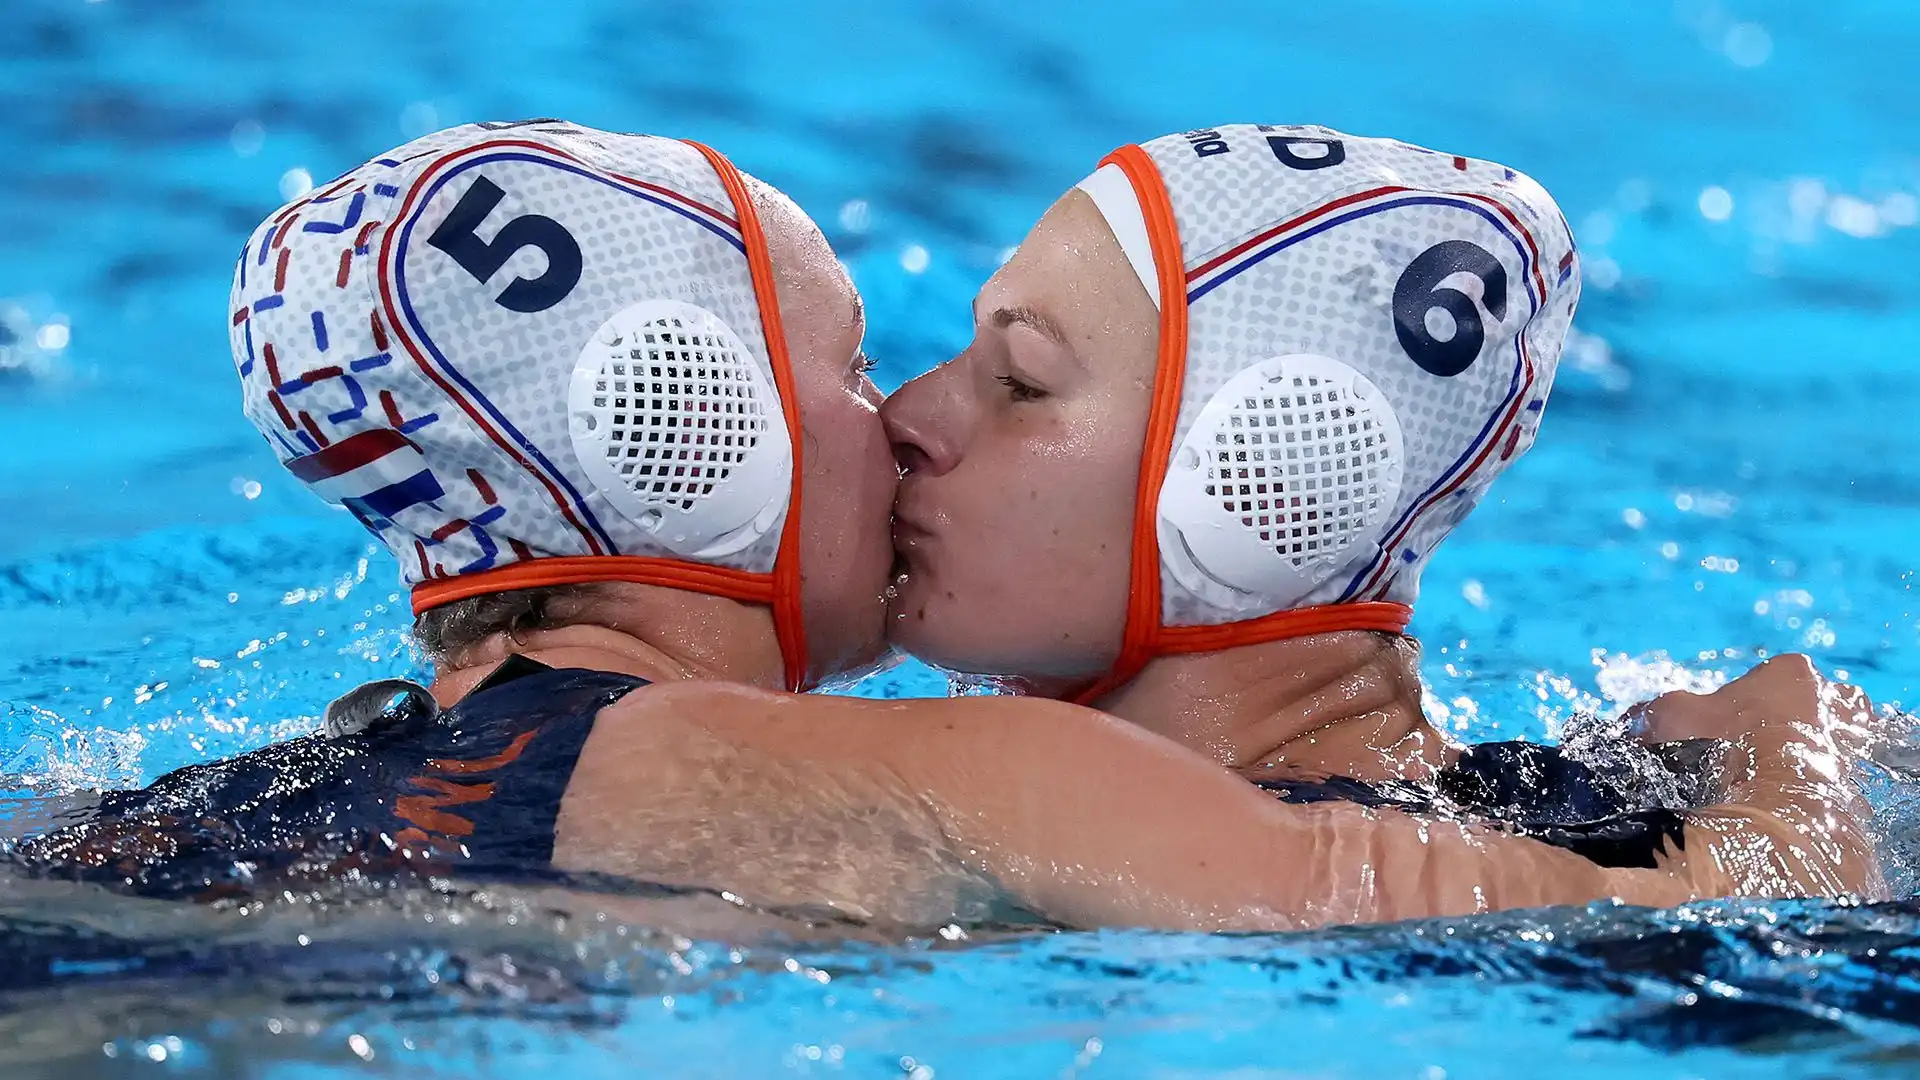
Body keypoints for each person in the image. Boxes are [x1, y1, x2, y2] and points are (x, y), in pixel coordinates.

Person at [9, 121, 1882, 934]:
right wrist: (1794, 795)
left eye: (1012, 374)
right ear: (683, 430)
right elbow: (1348, 901)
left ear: (1266, 477)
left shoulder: (267, 780)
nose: (903, 415)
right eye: (848, 369)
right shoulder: (943, 782)